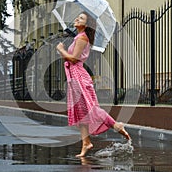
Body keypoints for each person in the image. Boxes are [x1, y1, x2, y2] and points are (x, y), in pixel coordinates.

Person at [56, 12, 131, 158]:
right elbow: (70, 58)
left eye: (81, 18)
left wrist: (61, 50)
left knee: (90, 109)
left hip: (78, 77)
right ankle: (86, 143)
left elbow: (73, 59)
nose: (77, 18)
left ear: (86, 24)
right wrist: (63, 51)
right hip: (73, 76)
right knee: (80, 111)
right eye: (77, 17)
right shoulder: (78, 37)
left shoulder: (82, 37)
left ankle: (116, 125)